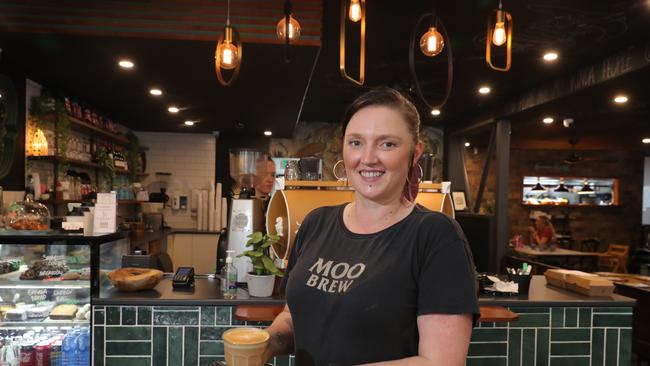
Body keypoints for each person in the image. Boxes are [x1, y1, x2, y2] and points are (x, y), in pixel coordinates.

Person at [263, 87, 479, 365]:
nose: (368, 158)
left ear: (415, 153)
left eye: (387, 144)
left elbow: (442, 362)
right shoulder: (316, 223)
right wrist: (265, 344)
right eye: (356, 142)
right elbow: (295, 319)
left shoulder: (436, 236)